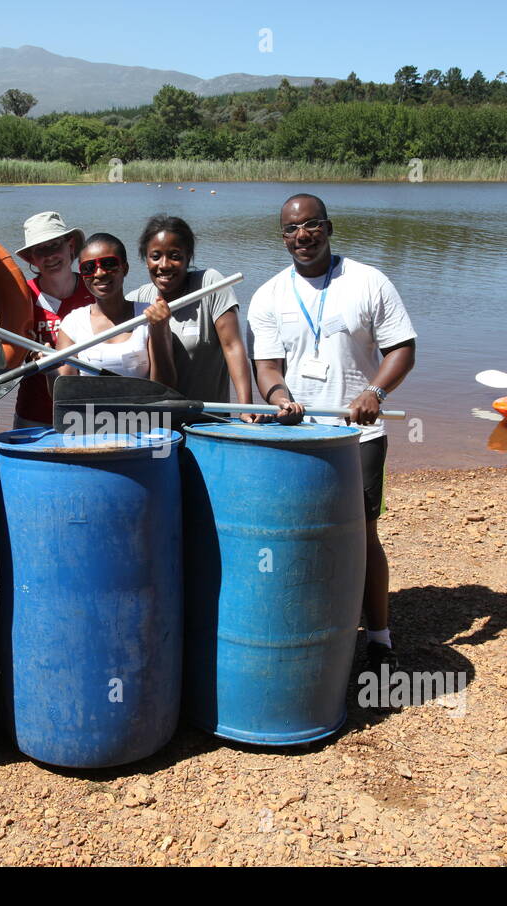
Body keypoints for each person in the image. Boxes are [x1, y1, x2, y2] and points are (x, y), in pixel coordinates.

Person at [245, 194, 417, 672]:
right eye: (291, 229)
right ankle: (315, 624)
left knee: (362, 533)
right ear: (282, 236)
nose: (302, 236)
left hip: (357, 435)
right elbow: (267, 368)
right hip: (299, 437)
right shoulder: (268, 295)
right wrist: (279, 398)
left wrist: (375, 394)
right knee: (302, 533)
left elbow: (402, 349)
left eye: (311, 226)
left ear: (329, 227)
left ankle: (379, 637)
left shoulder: (368, 281)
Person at [128, 215, 252, 403]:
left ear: (188, 258)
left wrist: (246, 405)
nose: (164, 265)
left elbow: (232, 346)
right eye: (155, 256)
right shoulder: (136, 299)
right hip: (158, 423)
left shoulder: (210, 285)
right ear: (146, 259)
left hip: (209, 420)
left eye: (175, 256)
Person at [12, 211, 94, 428]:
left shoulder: (95, 290)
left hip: (87, 415)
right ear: (31, 259)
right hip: (33, 415)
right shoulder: (22, 296)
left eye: (55, 245)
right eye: (41, 251)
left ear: (71, 245)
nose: (50, 256)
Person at [55, 234, 173, 382]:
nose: (99, 273)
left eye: (109, 264)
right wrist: (51, 370)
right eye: (89, 267)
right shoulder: (73, 323)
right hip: (91, 406)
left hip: (139, 405)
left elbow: (165, 387)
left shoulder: (149, 317)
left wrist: (159, 331)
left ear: (125, 268)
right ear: (83, 275)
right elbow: (62, 394)